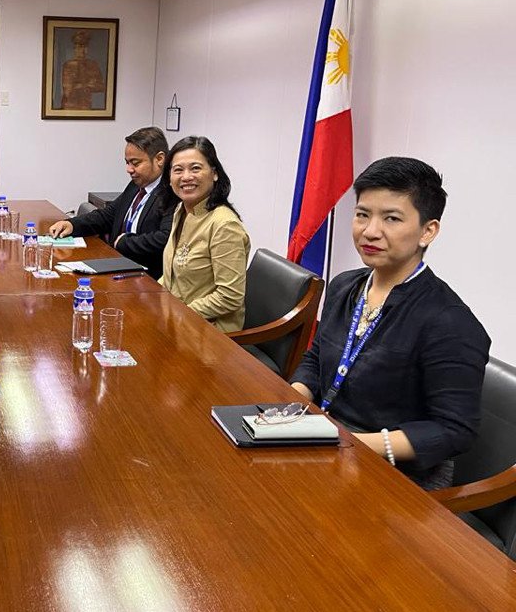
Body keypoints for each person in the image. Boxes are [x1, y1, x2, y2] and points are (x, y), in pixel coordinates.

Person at [291, 157, 490, 489]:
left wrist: (349, 442)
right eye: (362, 214)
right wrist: (294, 403)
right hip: (324, 443)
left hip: (396, 475)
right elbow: (316, 358)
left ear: (428, 230)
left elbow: (454, 430)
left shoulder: (450, 321)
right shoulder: (344, 285)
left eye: (392, 218)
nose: (370, 231)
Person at [48, 127, 175, 279]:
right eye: (127, 163)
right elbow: (108, 215)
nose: (129, 169)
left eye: (135, 163)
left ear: (159, 159)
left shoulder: (171, 192)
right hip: (116, 265)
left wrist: (125, 243)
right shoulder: (136, 186)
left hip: (144, 277)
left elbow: (166, 239)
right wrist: (72, 225)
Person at [158, 136, 250, 332]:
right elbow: (170, 278)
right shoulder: (182, 210)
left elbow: (229, 296)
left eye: (196, 168)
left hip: (209, 334)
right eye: (178, 170)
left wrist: (178, 313)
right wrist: (151, 298)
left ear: (214, 174)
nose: (186, 177)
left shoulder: (224, 225)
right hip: (178, 321)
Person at [60, 29, 105, 110]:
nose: (83, 51)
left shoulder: (93, 64)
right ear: (75, 49)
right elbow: (68, 90)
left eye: (85, 47)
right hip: (69, 106)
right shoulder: (68, 65)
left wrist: (81, 85)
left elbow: (101, 86)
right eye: (79, 47)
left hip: (86, 105)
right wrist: (88, 84)